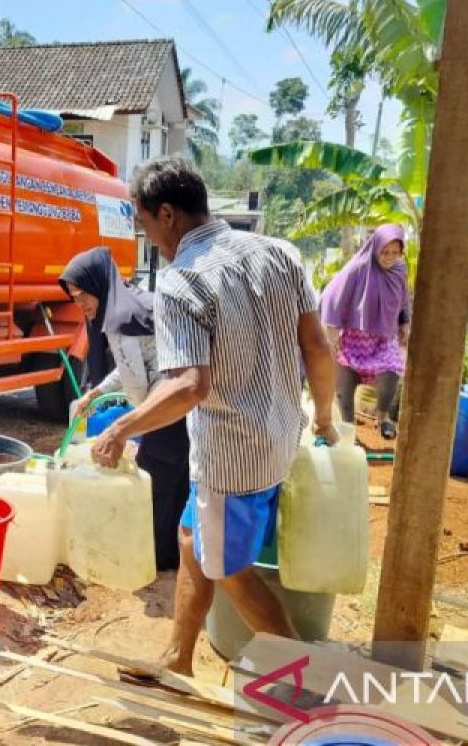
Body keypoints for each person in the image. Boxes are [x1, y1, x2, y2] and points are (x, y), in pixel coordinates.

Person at [91, 156, 339, 677]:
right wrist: (322, 419)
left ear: (167, 215)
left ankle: (305, 670)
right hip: (277, 436)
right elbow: (317, 347)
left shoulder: (183, 281)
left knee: (229, 567)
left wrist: (120, 428)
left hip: (231, 456)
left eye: (143, 224)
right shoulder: (281, 253)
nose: (148, 238)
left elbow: (189, 385)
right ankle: (177, 660)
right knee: (190, 540)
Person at [59, 247, 191, 571]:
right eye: (73, 298)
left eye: (82, 295)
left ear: (99, 284)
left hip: (172, 411)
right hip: (153, 414)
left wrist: (130, 425)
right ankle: (169, 555)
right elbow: (129, 368)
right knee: (161, 480)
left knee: (160, 480)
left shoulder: (141, 316)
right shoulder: (115, 320)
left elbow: (171, 373)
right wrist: (97, 392)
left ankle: (162, 558)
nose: (80, 305)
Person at [320, 224, 411, 440]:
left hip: (383, 338)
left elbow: (404, 298)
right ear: (376, 248)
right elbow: (332, 296)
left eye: (395, 253)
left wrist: (404, 322)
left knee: (392, 369)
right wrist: (332, 333)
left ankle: (383, 419)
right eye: (385, 252)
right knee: (345, 380)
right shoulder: (359, 268)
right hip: (354, 338)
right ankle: (349, 428)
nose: (389, 257)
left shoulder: (399, 270)